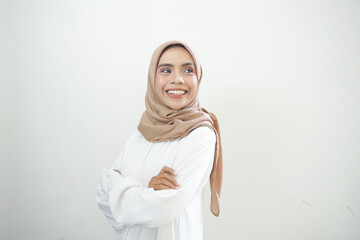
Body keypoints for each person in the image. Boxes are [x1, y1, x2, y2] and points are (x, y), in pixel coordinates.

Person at [96, 40, 223, 240]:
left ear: (198, 78)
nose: (177, 79)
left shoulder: (201, 135)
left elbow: (163, 208)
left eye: (188, 70)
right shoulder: (142, 131)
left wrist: (121, 192)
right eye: (166, 70)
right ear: (152, 78)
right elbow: (103, 195)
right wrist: (147, 190)